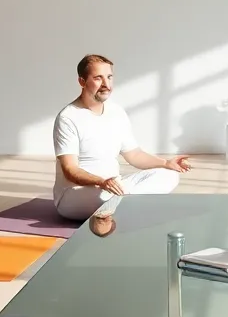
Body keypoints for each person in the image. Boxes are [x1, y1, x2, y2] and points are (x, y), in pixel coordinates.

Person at [54, 54, 191, 220]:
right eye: (98, 78)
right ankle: (130, 205)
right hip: (76, 194)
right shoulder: (68, 117)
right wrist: (102, 182)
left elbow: (134, 155)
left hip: (115, 187)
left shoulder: (116, 112)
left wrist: (166, 163)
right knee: (107, 196)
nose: (106, 84)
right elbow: (70, 171)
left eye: (109, 77)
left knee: (169, 175)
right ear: (82, 82)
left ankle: (124, 204)